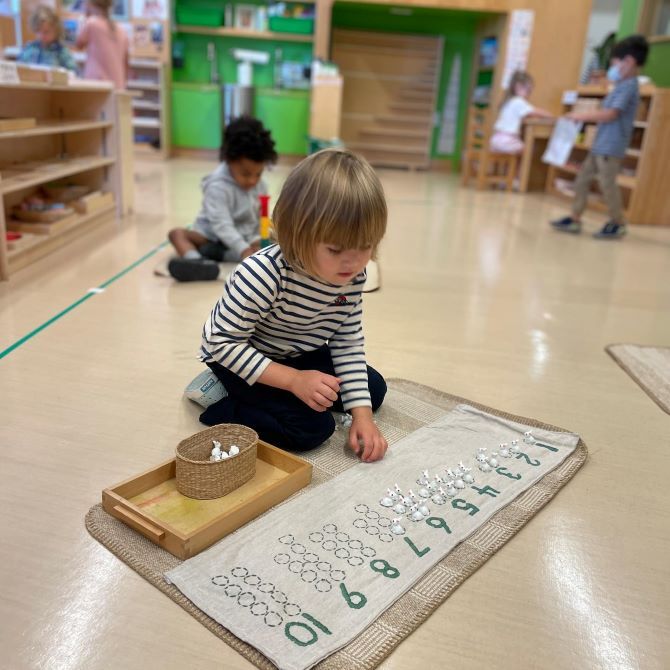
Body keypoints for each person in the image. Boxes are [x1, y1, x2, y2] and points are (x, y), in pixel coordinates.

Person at [196, 149, 389, 462]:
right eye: (336, 249)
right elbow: (222, 343)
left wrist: (363, 416)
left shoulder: (352, 274)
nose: (353, 261)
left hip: (297, 350)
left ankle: (295, 389)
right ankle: (220, 403)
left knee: (373, 390)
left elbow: (347, 343)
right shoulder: (262, 274)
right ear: (296, 233)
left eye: (365, 246)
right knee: (311, 429)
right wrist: (294, 381)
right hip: (241, 357)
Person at [551, 35, 649, 239]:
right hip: (600, 144)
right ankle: (575, 218)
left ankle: (617, 222)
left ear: (628, 62)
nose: (612, 67)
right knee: (582, 180)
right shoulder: (620, 86)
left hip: (611, 147)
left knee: (607, 184)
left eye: (614, 63)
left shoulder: (629, 87)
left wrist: (581, 115)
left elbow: (611, 114)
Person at [167, 116, 278, 282]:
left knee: (274, 242)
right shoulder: (217, 185)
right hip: (210, 236)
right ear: (229, 160)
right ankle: (196, 261)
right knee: (177, 234)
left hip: (243, 237)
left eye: (258, 173)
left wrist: (256, 241)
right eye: (246, 174)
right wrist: (243, 249)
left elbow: (259, 221)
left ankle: (222, 255)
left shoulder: (261, 185)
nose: (253, 180)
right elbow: (221, 225)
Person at [489, 71, 553, 154]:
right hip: (507, 140)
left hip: (495, 139)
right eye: (528, 91)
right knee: (527, 150)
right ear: (518, 86)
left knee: (520, 148)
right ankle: (517, 167)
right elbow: (535, 111)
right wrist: (550, 115)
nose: (528, 95)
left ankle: (508, 166)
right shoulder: (518, 101)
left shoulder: (508, 101)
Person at [75, 0, 129, 90]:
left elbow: (79, 45)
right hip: (118, 85)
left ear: (90, 4)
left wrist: (84, 19)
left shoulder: (91, 23)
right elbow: (125, 61)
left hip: (96, 84)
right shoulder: (121, 30)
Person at [18, 6, 78, 72]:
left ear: (56, 30)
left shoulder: (61, 51)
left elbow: (73, 71)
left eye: (46, 32)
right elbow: (20, 68)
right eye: (38, 31)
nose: (42, 35)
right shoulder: (30, 48)